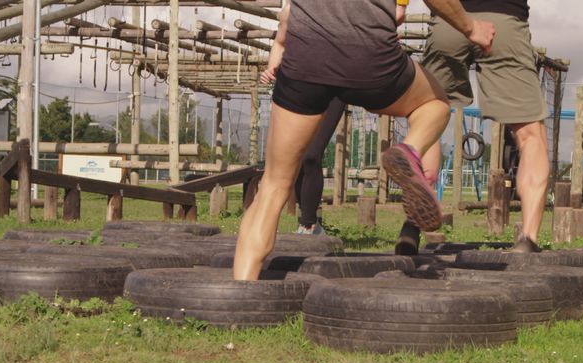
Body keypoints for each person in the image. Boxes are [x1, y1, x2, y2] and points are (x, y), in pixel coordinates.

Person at [232, 0, 495, 281]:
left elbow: (287, 14)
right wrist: (471, 27)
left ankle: (243, 291)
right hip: (370, 54)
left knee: (273, 186)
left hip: (306, 55)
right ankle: (409, 150)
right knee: (435, 103)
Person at [400, 0, 549, 254]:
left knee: (426, 114)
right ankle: (528, 240)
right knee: (530, 134)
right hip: (504, 21)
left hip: (449, 21)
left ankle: (412, 227)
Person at [264, 3, 413, 236]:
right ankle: (301, 219)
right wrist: (272, 67)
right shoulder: (297, 12)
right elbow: (280, 43)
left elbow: (397, 15)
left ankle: (309, 224)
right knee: (294, 157)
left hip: (338, 82)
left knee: (312, 155)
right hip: (305, 81)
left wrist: (379, 31)